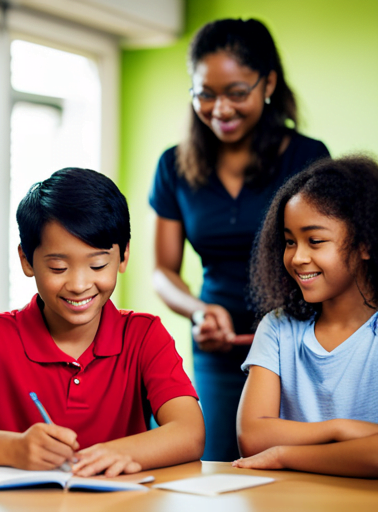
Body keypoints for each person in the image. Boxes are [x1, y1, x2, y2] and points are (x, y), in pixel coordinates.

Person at [0, 168, 205, 476]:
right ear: (27, 260)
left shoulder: (144, 335)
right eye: (58, 268)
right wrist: (13, 450)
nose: (79, 284)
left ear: (123, 256)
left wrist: (118, 452)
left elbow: (190, 432)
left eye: (97, 264)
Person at [149, 18, 329, 461]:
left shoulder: (308, 157)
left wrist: (286, 320)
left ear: (267, 82)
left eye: (236, 93)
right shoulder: (174, 166)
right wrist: (199, 312)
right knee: (215, 463)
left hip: (297, 339)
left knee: (291, 465)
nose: (220, 109)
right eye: (205, 94)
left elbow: (331, 258)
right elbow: (163, 270)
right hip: (217, 347)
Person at [233, 156, 378, 478]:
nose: (297, 257)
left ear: (366, 243)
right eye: (289, 242)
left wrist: (285, 455)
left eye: (315, 241)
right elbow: (252, 437)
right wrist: (341, 430)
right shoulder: (278, 327)